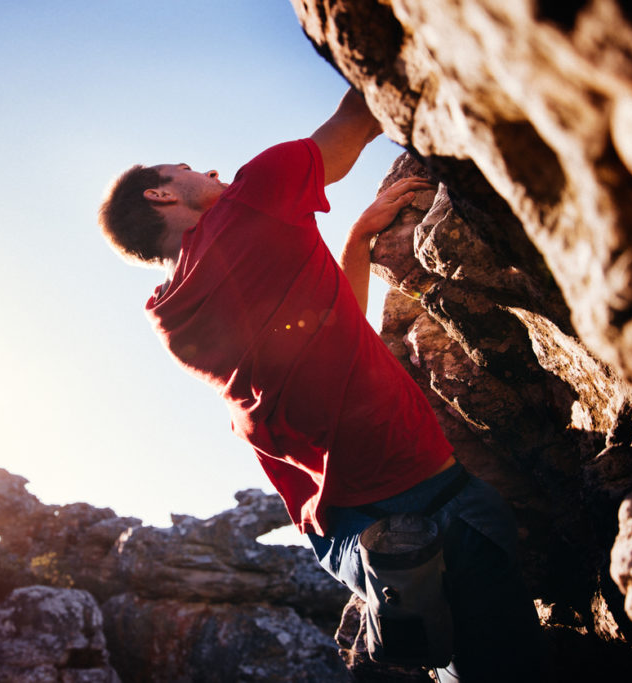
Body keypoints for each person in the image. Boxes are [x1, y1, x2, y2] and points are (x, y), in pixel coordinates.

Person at [98, 88, 544, 681]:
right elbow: (361, 112)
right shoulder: (257, 193)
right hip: (434, 505)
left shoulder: (170, 318)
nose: (206, 169)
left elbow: (332, 334)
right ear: (160, 193)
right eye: (185, 168)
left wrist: (358, 239)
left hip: (348, 543)